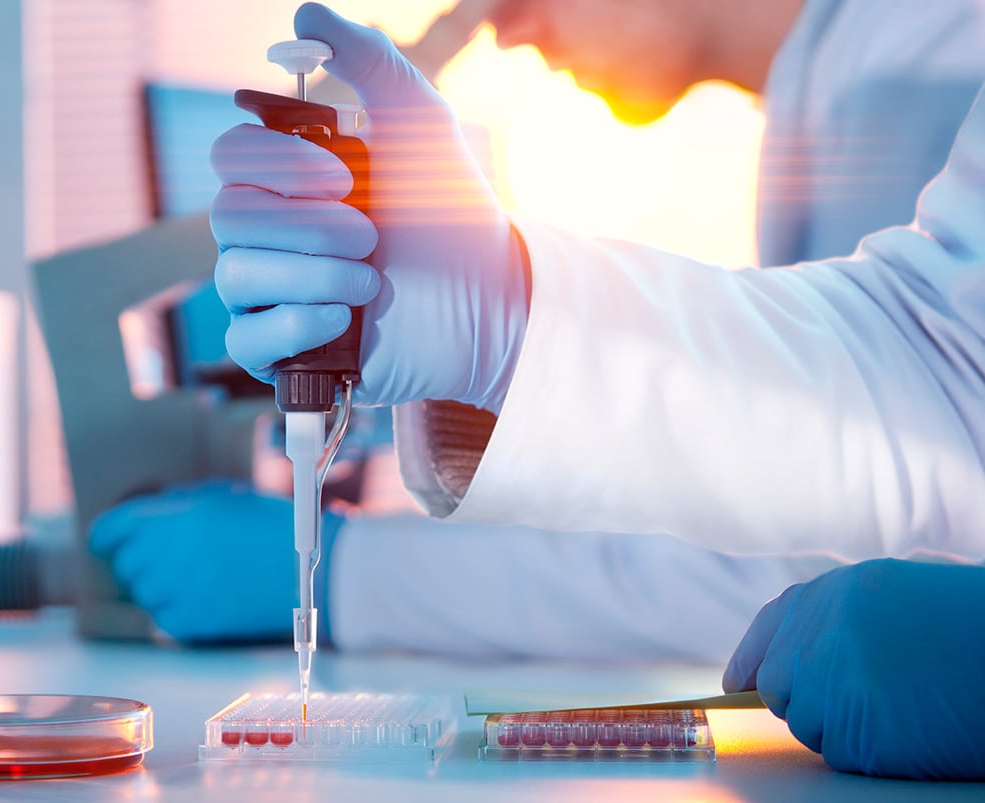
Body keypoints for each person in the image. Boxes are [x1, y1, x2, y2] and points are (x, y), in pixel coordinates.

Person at [202, 2, 985, 779]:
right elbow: (941, 374)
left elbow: (810, 564)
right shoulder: (836, 76)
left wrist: (355, 575)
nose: (507, 27)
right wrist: (505, 320)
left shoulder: (913, 65)